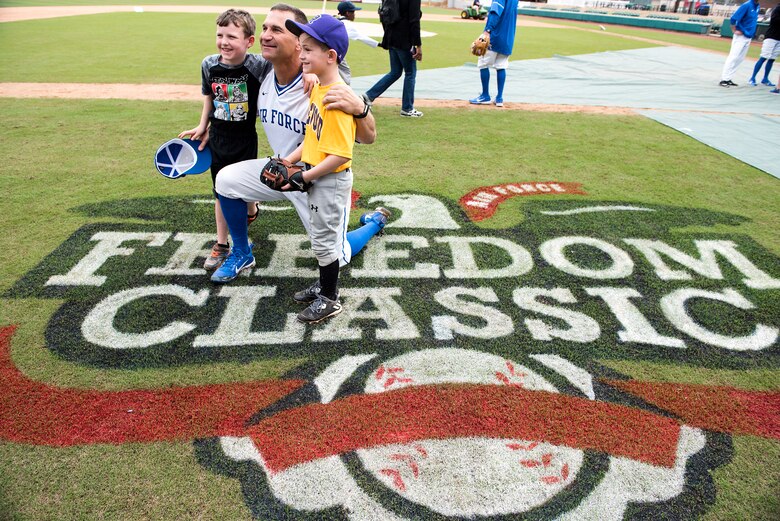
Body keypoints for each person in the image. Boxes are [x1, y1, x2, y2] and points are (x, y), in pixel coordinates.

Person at [212, 6, 386, 298]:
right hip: (284, 169)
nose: (266, 35)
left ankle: (374, 222)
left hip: (318, 178)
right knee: (226, 180)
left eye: (277, 30)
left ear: (299, 43)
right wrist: (206, 123)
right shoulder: (261, 69)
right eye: (265, 28)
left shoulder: (327, 80)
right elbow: (222, 61)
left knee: (337, 255)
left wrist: (361, 108)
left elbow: (367, 137)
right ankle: (242, 252)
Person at [179, 9, 264, 270]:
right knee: (220, 192)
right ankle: (222, 244)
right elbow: (209, 97)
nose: (224, 41)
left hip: (245, 139)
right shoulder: (209, 64)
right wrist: (203, 125)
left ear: (249, 41)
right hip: (218, 138)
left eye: (232, 36)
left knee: (245, 191)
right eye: (220, 35)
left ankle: (251, 211)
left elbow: (286, 70)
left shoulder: (259, 65)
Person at [365, 0, 424, 118]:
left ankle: (368, 96)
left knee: (395, 72)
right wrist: (418, 45)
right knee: (410, 73)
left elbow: (384, 15)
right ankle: (407, 108)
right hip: (404, 40)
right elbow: (414, 20)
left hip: (391, 37)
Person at [469, 0, 518, 107]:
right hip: (508, 38)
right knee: (501, 66)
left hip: (496, 36)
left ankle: (485, 96)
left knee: (483, 63)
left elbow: (495, 13)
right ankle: (499, 98)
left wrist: (487, 31)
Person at [719, 0, 761, 87]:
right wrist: (734, 30)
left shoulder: (757, 6)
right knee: (733, 57)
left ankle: (728, 78)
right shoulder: (747, 5)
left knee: (740, 58)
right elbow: (734, 18)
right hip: (741, 36)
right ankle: (724, 79)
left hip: (748, 36)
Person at [748, 2, 779, 87]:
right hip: (771, 37)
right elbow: (775, 21)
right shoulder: (777, 9)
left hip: (779, 39)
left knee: (772, 59)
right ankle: (752, 78)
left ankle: (765, 78)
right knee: (764, 57)